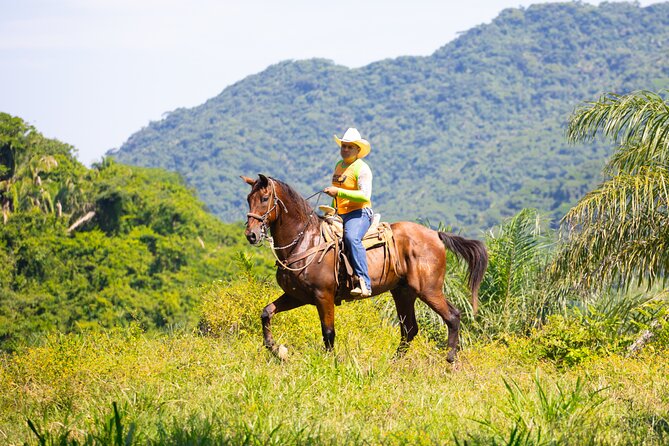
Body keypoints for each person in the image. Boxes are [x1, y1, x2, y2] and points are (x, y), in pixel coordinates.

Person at [324, 128, 373, 298]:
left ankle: (364, 283)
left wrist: (337, 192)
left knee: (352, 238)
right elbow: (337, 193)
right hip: (340, 212)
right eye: (343, 146)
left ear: (358, 150)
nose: (345, 150)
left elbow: (364, 195)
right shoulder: (339, 165)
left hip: (359, 212)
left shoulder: (362, 169)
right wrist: (332, 209)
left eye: (349, 147)